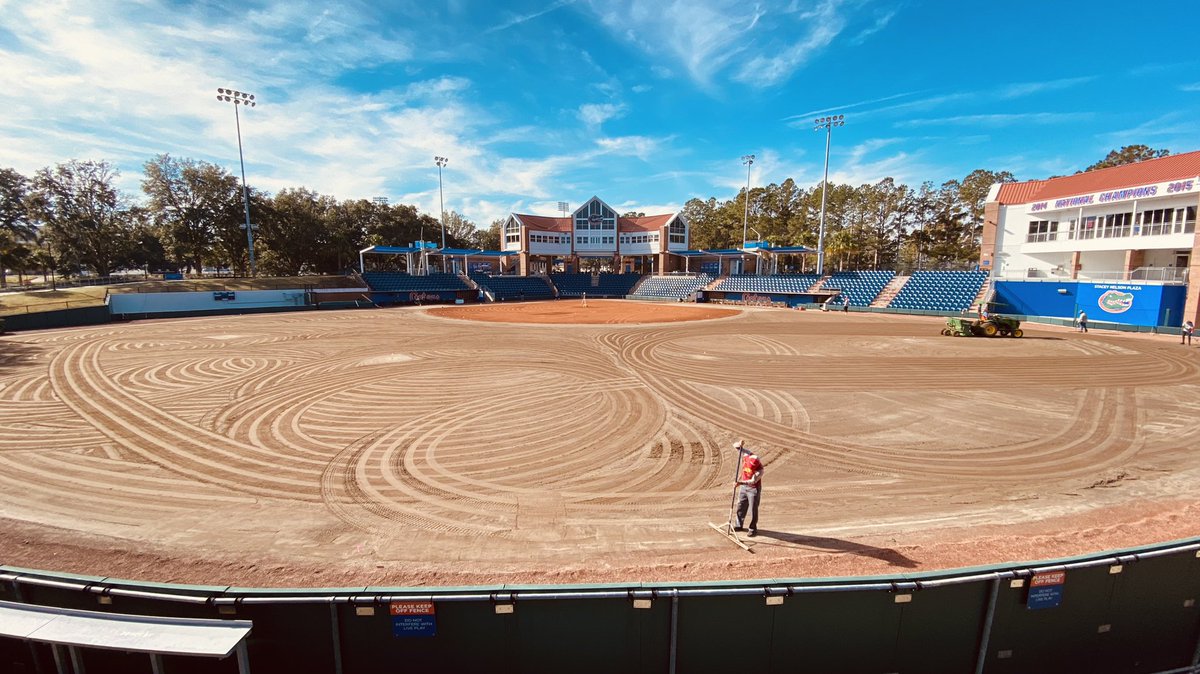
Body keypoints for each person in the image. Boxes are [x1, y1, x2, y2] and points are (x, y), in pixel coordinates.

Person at [730, 440, 763, 537]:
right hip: (743, 487)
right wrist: (739, 444)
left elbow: (752, 481)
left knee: (753, 509)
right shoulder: (747, 455)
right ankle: (739, 525)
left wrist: (739, 483)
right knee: (741, 506)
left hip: (753, 489)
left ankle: (753, 528)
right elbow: (736, 446)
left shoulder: (759, 471)